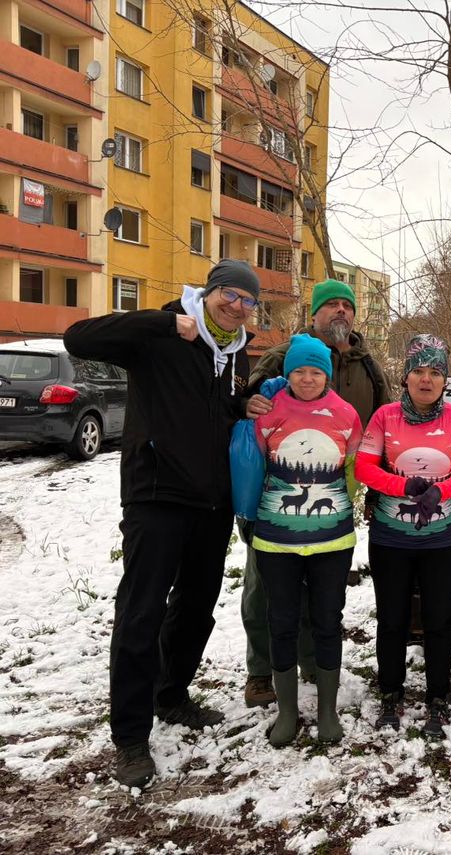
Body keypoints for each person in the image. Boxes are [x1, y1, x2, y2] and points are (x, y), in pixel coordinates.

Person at [63, 259, 259, 788]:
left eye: (247, 301)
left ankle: (172, 695)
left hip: (211, 503)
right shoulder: (166, 332)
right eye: (229, 295)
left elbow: (207, 412)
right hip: (157, 496)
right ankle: (129, 736)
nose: (236, 306)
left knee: (195, 608)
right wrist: (159, 321)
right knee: (141, 612)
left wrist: (242, 405)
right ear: (209, 292)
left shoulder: (232, 352)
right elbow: (77, 337)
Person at [240, 278, 391, 708]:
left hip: (338, 496)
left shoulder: (368, 366)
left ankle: (309, 662)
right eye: (331, 306)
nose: (340, 312)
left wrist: (374, 487)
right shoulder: (282, 356)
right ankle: (260, 672)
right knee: (264, 588)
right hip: (276, 496)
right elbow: (246, 410)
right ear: (315, 314)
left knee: (321, 590)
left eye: (348, 305)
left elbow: (383, 427)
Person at [354, 335, 451, 740]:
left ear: (444, 379)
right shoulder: (385, 417)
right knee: (392, 619)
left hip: (440, 539)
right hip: (391, 538)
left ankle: (438, 695)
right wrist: (404, 487)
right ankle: (391, 691)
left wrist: (440, 492)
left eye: (435, 372)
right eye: (418, 371)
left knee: (440, 619)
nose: (426, 379)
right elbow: (364, 468)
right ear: (405, 377)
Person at [251, 334, 362, 747]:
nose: (308, 378)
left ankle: (328, 710)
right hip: (275, 538)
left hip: (332, 538)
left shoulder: (346, 414)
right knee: (280, 621)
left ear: (328, 374)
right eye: (299, 370)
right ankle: (286, 713)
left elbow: (351, 467)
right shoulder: (268, 411)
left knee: (327, 620)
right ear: (287, 373)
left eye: (317, 371)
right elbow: (255, 461)